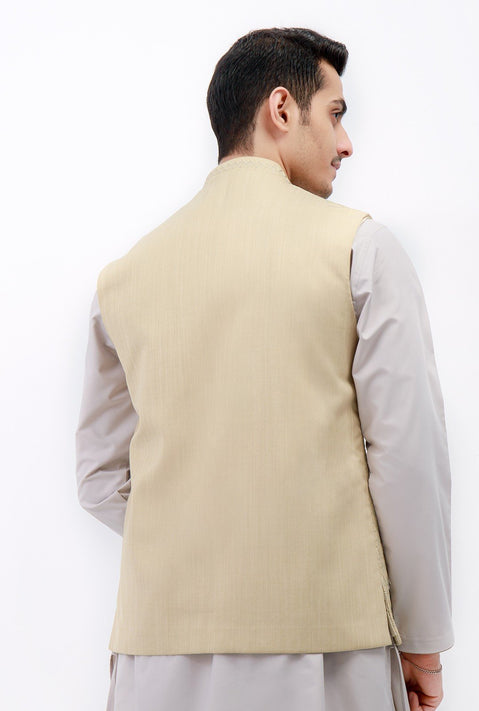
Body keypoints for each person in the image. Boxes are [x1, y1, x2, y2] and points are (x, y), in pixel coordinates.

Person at [75, 27, 454, 711]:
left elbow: (100, 478)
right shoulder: (359, 249)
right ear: (281, 109)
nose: (346, 143)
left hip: (152, 661)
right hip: (326, 647)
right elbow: (406, 460)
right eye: (335, 114)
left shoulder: (123, 279)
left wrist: (206, 538)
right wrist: (422, 641)